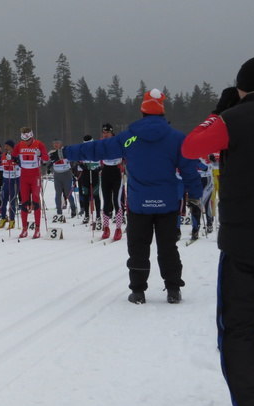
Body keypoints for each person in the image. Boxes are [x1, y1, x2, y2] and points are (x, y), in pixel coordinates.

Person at [182, 56, 254, 406]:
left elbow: (191, 147)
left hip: (245, 247)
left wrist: (218, 113)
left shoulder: (233, 119)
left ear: (242, 88)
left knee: (239, 331)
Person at [62, 88, 201, 304]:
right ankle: (173, 290)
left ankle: (138, 291)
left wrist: (65, 152)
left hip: (139, 204)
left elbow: (98, 149)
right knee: (168, 247)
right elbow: (189, 170)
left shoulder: (130, 138)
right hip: (167, 204)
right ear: (162, 112)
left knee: (138, 248)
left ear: (142, 112)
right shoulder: (176, 138)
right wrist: (195, 196)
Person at [12, 126, 50, 239]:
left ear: (32, 137)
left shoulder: (39, 144)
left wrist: (40, 155)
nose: (26, 142)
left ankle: (37, 229)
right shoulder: (19, 145)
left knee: (36, 201)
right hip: (24, 176)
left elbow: (46, 158)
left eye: (28, 140)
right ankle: (24, 229)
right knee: (24, 202)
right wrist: (12, 158)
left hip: (35, 176)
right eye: (24, 140)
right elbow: (13, 157)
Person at [99, 124, 125, 241]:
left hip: (116, 171)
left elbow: (125, 153)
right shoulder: (101, 142)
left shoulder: (118, 141)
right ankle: (106, 228)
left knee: (117, 201)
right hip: (105, 171)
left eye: (107, 133)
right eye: (103, 133)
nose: (105, 135)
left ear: (111, 133)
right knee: (106, 200)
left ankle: (118, 228)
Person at [48, 139, 77, 219]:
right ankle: (59, 211)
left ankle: (73, 209)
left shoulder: (65, 152)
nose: (56, 145)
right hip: (57, 175)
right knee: (58, 194)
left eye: (57, 143)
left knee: (68, 193)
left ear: (61, 144)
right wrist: (48, 167)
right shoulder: (51, 153)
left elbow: (73, 160)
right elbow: (47, 161)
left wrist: (73, 167)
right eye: (54, 143)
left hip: (66, 174)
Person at [0, 140, 21, 229]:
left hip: (14, 180)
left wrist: (14, 159)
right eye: (5, 146)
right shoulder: (3, 156)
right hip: (6, 180)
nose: (5, 147)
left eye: (7, 146)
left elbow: (21, 163)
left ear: (11, 147)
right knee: (3, 200)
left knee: (12, 201)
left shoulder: (17, 155)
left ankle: (12, 220)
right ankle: (3, 218)